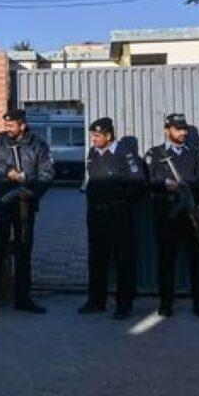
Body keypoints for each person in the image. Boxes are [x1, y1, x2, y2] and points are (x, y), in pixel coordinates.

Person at [0, 108, 54, 316]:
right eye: (6, 125)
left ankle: (23, 299)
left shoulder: (38, 145)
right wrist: (6, 172)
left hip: (24, 207)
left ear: (22, 125)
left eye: (11, 125)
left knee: (24, 253)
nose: (7, 128)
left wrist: (32, 192)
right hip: (0, 205)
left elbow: (47, 174)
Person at [144, 114, 199, 318]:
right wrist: (164, 184)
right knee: (166, 260)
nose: (183, 133)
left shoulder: (196, 155)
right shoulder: (155, 154)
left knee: (198, 260)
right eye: (178, 129)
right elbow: (147, 180)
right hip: (167, 215)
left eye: (184, 129)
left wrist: (197, 199)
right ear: (167, 130)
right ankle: (166, 303)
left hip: (193, 214)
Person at [78, 117, 145, 320]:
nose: (94, 139)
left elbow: (138, 183)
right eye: (93, 135)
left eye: (97, 136)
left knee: (124, 261)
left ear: (109, 135)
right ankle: (96, 301)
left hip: (119, 215)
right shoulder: (92, 154)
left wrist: (122, 204)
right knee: (97, 259)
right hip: (98, 215)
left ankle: (125, 305)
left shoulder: (125, 154)